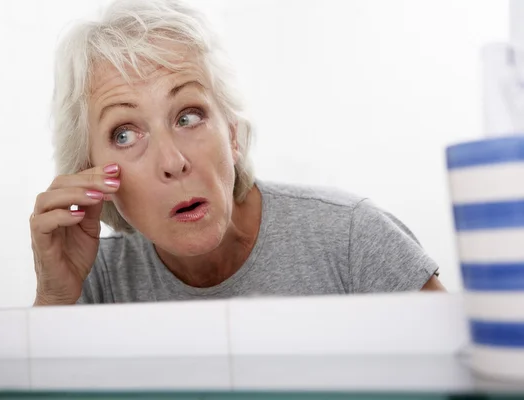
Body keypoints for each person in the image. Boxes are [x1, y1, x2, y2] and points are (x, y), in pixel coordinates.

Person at [30, 0, 445, 306]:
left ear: (231, 133)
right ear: (91, 173)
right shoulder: (95, 280)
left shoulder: (353, 239)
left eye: (188, 116)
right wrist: (55, 296)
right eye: (124, 134)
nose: (173, 162)